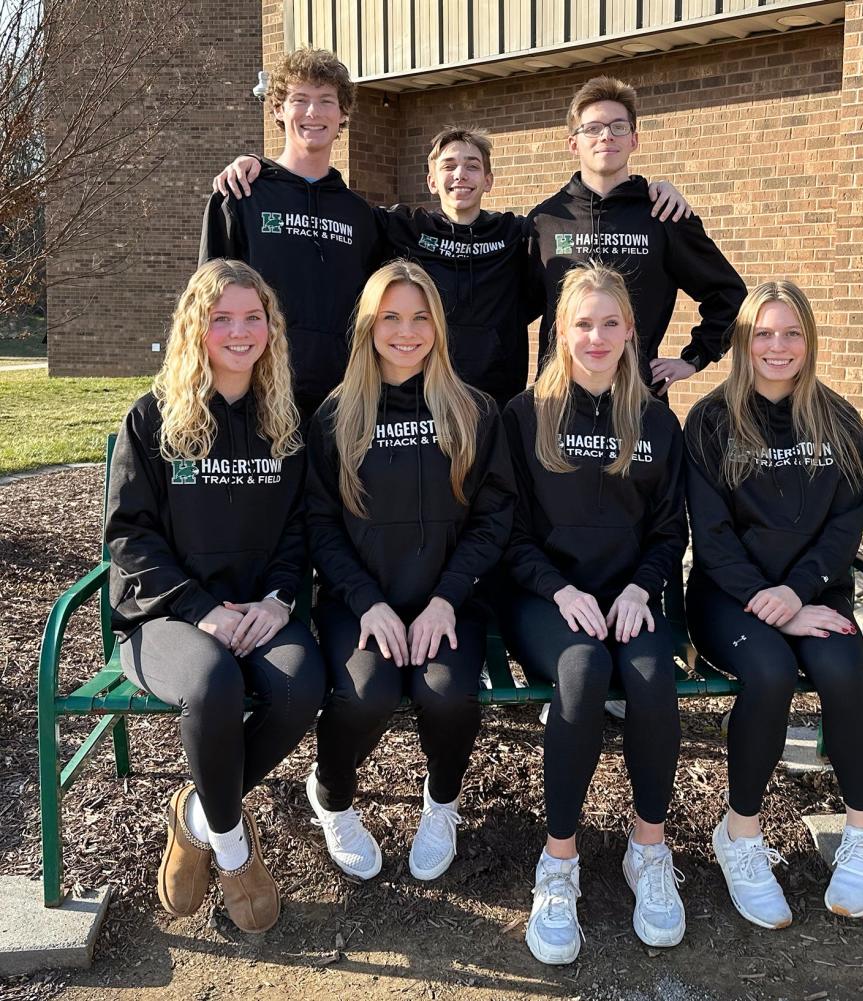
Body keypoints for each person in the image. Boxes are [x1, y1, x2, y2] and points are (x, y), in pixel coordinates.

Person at [105, 259, 326, 933]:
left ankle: (196, 814)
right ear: (195, 328)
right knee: (213, 681)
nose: (238, 331)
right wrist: (200, 608)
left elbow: (301, 529)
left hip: (259, 608)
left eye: (252, 317)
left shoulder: (286, 422)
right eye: (221, 318)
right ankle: (233, 849)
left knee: (300, 685)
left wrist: (279, 600)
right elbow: (128, 538)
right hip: (165, 615)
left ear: (271, 329)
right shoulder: (153, 420)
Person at [212, 123, 691, 410]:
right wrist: (261, 165)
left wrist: (655, 189)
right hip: (419, 398)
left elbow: (546, 283)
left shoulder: (515, 235)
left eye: (471, 165)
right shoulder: (399, 228)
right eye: (448, 165)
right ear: (431, 177)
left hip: (492, 399)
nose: (459, 174)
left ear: (488, 179)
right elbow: (329, 211)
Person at [500, 262, 687, 964]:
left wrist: (641, 587)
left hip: (629, 596)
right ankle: (559, 862)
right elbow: (508, 531)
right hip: (546, 599)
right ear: (560, 332)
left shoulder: (657, 422)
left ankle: (649, 846)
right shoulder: (525, 416)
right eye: (583, 323)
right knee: (581, 674)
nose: (597, 335)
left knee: (649, 676)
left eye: (611, 322)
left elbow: (671, 530)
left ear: (631, 331)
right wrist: (559, 589)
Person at [304, 259, 515, 881]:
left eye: (420, 316)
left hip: (448, 601)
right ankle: (332, 797)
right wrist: (366, 600)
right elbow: (319, 525)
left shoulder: (473, 411)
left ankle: (441, 803)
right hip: (359, 600)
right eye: (391, 316)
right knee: (366, 695)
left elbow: (494, 517)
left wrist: (449, 597)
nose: (406, 330)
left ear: (438, 327)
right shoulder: (335, 416)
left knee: (447, 696)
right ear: (369, 326)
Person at [684, 280, 863, 929]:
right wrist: (777, 606)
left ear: (809, 340)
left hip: (817, 593)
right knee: (769, 673)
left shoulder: (840, 421)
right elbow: (710, 537)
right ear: (743, 341)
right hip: (728, 599)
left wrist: (798, 596)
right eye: (763, 333)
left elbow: (845, 526)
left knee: (840, 670)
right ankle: (740, 835)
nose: (778, 345)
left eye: (791, 332)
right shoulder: (712, 422)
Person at [527, 75, 747, 396]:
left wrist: (694, 358)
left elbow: (730, 297)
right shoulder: (545, 222)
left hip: (639, 401)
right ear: (573, 143)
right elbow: (507, 308)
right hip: (560, 401)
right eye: (593, 128)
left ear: (634, 140)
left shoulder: (663, 214)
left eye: (618, 127)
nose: (606, 137)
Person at [199, 48, 381, 417]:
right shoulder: (240, 196)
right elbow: (206, 303)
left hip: (341, 403)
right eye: (300, 99)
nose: (313, 113)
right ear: (279, 109)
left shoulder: (361, 216)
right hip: (257, 397)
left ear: (342, 113)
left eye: (326, 101)